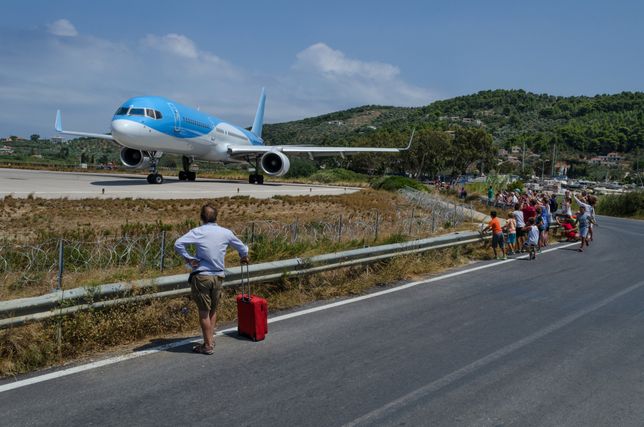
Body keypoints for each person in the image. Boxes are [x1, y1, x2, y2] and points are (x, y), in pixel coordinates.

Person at [174, 204, 250, 355]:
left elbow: (178, 244)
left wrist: (189, 259)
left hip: (202, 276)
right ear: (216, 217)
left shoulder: (198, 231)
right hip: (218, 276)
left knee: (203, 312)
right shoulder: (225, 232)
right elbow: (243, 248)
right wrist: (243, 256)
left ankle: (207, 346)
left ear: (201, 218)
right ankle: (210, 339)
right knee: (212, 310)